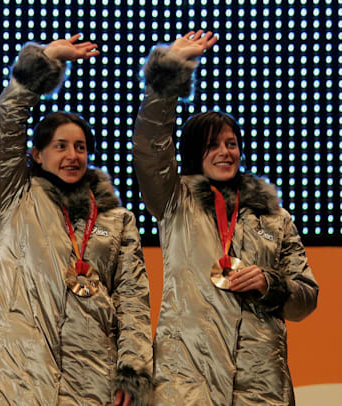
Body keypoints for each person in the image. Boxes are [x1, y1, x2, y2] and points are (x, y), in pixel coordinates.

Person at [132, 30, 319, 405]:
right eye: (212, 145)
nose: (224, 152)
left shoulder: (274, 217)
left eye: (231, 144)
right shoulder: (175, 200)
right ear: (193, 153)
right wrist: (169, 76)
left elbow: (306, 298)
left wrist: (270, 283)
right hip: (187, 382)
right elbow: (151, 146)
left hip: (261, 385)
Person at [0, 35, 153, 406]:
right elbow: (2, 132)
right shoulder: (16, 198)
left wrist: (132, 369)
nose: (72, 155)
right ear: (36, 155)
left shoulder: (118, 221)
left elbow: (133, 300)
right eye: (61, 146)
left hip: (92, 378)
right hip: (16, 378)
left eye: (80, 147)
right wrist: (42, 63)